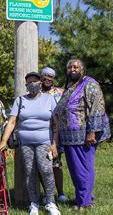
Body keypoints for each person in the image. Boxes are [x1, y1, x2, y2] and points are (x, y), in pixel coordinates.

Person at [0, 72, 61, 215]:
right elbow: (12, 121)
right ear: (26, 85)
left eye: (35, 81)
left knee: (46, 170)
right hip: (25, 143)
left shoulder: (49, 99)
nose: (33, 84)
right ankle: (34, 203)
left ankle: (50, 202)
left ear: (40, 83)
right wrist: (3, 141)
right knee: (30, 172)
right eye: (29, 82)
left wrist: (54, 143)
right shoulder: (20, 100)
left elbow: (56, 123)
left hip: (44, 142)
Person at [53, 59, 111, 210]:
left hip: (84, 135)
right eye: (69, 67)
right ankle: (82, 198)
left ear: (82, 70)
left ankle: (85, 203)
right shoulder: (70, 86)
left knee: (83, 168)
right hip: (70, 137)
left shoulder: (89, 83)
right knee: (75, 170)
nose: (72, 69)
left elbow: (97, 107)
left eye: (75, 67)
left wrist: (92, 132)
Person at [41, 67, 69, 203]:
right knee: (42, 166)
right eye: (45, 75)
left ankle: (61, 193)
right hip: (40, 133)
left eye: (51, 76)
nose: (48, 78)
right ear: (41, 77)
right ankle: (47, 193)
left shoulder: (60, 92)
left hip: (57, 134)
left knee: (55, 165)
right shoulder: (36, 93)